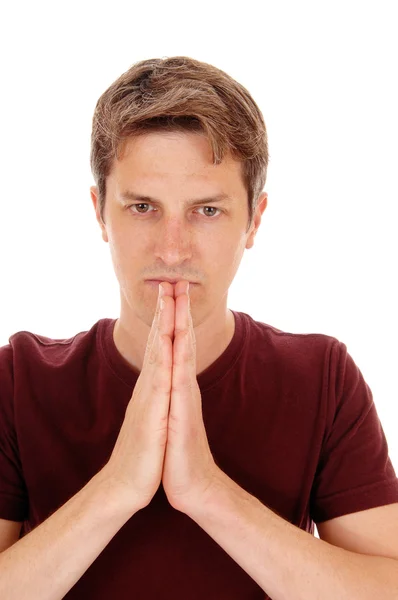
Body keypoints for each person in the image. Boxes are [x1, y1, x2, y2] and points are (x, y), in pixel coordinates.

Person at [0, 56, 397, 600]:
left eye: (206, 211)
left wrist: (206, 491)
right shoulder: (19, 379)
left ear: (254, 220)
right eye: (142, 206)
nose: (172, 249)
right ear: (99, 213)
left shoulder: (322, 378)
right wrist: (119, 486)